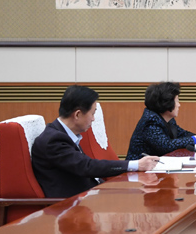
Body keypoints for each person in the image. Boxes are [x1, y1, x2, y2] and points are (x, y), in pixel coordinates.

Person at [31, 85, 159, 198]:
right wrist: (136, 165)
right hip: (69, 207)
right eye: (92, 114)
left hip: (87, 198)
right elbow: (87, 166)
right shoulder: (53, 141)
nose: (93, 119)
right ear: (77, 115)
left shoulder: (63, 134)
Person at [126, 82, 196, 160]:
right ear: (167, 103)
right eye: (177, 101)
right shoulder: (151, 121)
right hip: (137, 171)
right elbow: (165, 146)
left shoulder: (168, 119)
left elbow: (182, 134)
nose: (179, 105)